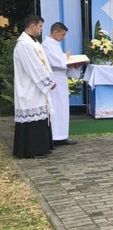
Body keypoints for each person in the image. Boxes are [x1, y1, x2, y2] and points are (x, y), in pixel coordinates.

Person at [13, 14, 57, 159]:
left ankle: (42, 147)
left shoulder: (34, 43)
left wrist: (50, 79)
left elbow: (44, 63)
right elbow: (34, 68)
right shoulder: (24, 44)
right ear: (32, 26)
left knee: (41, 116)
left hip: (37, 87)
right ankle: (31, 150)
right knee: (32, 117)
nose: (41, 29)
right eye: (40, 26)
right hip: (29, 87)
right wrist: (48, 82)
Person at [42, 23, 85, 145]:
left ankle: (62, 135)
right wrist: (65, 57)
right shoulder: (46, 45)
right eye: (62, 34)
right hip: (54, 79)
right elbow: (55, 61)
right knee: (55, 107)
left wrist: (74, 65)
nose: (63, 37)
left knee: (63, 108)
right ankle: (54, 136)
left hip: (62, 78)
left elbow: (62, 62)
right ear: (55, 32)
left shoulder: (56, 45)